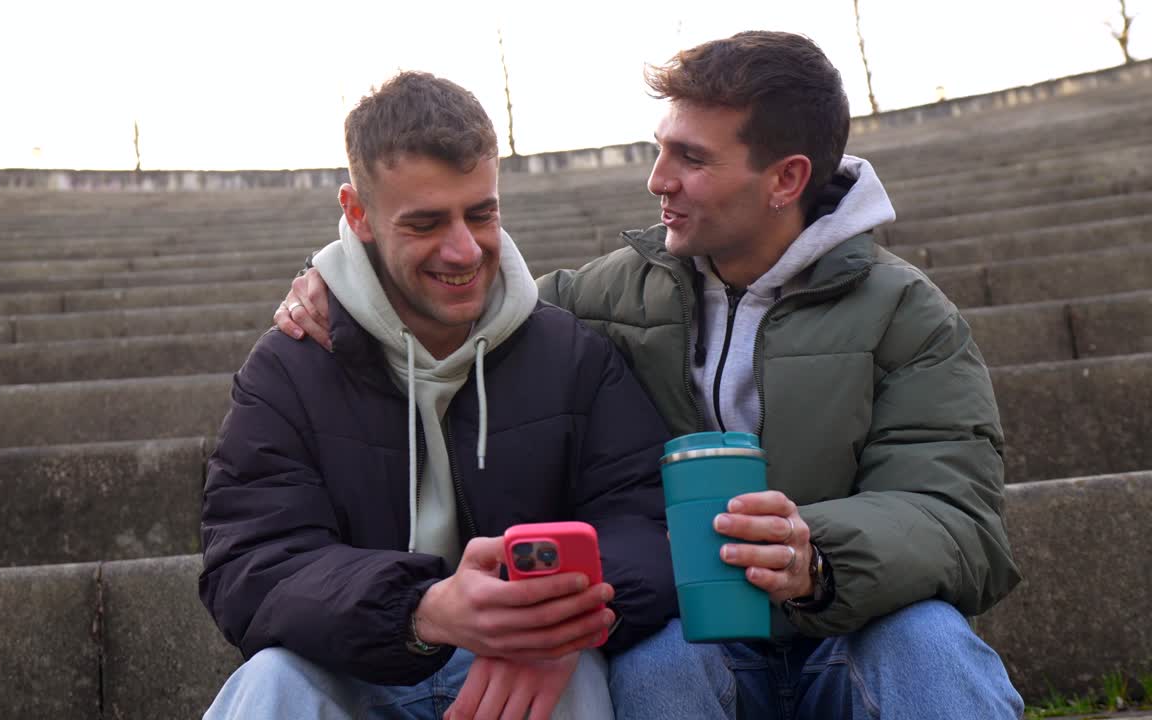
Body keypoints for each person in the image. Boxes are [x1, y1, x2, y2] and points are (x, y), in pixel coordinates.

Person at [276, 32, 1025, 719]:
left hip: (853, 626)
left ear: (786, 178)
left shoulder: (908, 315)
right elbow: (462, 298)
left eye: (691, 159)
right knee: (656, 666)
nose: (657, 180)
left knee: (931, 644)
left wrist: (818, 557)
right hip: (690, 630)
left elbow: (959, 520)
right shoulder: (606, 295)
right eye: (660, 148)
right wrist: (341, 279)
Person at [199, 71, 711, 720]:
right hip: (360, 659)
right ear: (357, 214)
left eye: (482, 213)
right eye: (425, 223)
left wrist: (544, 614)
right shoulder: (289, 367)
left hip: (535, 661)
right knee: (271, 681)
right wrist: (421, 610)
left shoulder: (572, 353)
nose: (465, 250)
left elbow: (647, 522)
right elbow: (252, 562)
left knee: (581, 669)